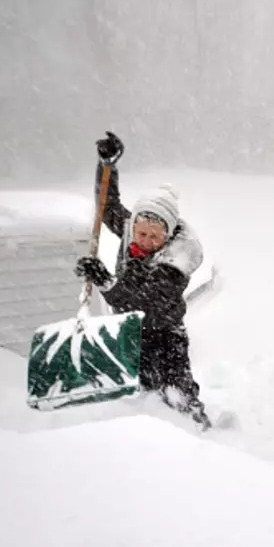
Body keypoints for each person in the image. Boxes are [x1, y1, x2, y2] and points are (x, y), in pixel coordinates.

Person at [75, 131, 212, 430]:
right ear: (134, 224)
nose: (147, 241)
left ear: (168, 233)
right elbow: (107, 208)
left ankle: (202, 436)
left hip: (165, 335)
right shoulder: (132, 227)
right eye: (142, 233)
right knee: (141, 397)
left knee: (178, 396)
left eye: (155, 236)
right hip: (130, 332)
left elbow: (143, 301)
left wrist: (105, 281)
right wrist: (107, 166)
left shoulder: (179, 256)